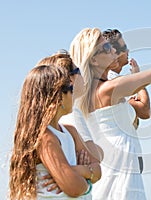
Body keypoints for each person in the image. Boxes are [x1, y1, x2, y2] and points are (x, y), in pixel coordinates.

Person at [69, 27, 151, 200]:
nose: (114, 50)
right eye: (107, 48)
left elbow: (142, 111)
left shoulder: (91, 92)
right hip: (121, 174)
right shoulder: (109, 89)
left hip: (114, 170)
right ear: (94, 59)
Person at [9, 64, 101, 199]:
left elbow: (98, 169)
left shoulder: (70, 131)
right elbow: (75, 188)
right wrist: (87, 179)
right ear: (57, 97)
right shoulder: (45, 137)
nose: (73, 92)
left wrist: (77, 170)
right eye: (69, 88)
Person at [103, 29, 151, 130]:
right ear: (114, 51)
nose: (128, 51)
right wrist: (138, 77)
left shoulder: (112, 79)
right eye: (124, 47)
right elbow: (145, 111)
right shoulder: (111, 79)